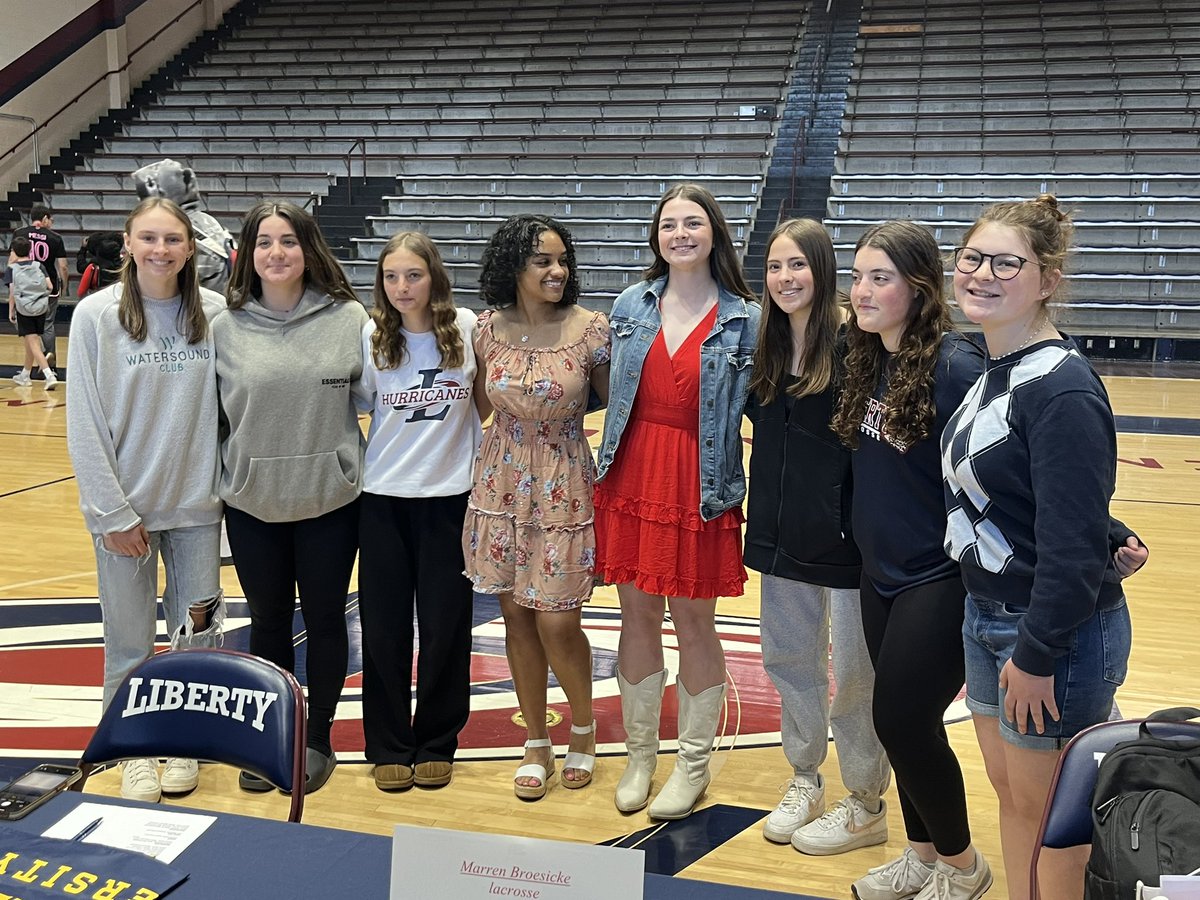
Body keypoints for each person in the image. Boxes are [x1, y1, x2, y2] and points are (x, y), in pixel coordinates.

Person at [942, 196, 1134, 900]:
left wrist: (1037, 651)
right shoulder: (989, 365)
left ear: (1047, 279)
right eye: (972, 258)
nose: (982, 274)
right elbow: (1034, 501)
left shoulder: (1061, 388)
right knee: (1016, 801)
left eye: (1006, 263)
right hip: (986, 618)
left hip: (1048, 637)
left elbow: (1072, 544)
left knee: (1057, 825)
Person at [829, 220, 994, 900]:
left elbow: (1009, 465)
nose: (862, 291)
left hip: (939, 574)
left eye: (880, 278)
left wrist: (1102, 529)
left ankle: (963, 866)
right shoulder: (864, 355)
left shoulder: (956, 367)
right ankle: (923, 855)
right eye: (859, 276)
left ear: (918, 287)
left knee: (901, 718)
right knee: (903, 724)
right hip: (880, 572)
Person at [594, 183, 760, 820]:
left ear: (714, 233)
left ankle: (692, 764)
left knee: (695, 622)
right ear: (656, 237)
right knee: (635, 618)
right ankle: (640, 756)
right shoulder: (631, 303)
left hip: (701, 481)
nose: (681, 234)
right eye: (669, 225)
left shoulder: (744, 316)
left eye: (693, 223)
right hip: (631, 474)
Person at [65, 197, 225, 803]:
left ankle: (183, 740)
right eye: (149, 239)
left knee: (196, 636)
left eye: (172, 240)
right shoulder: (95, 316)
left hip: (197, 513)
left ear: (190, 248)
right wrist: (110, 513)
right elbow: (83, 421)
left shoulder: (214, 313)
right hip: (124, 514)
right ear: (128, 244)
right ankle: (132, 750)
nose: (161, 250)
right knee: (128, 640)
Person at [211, 201, 368, 794]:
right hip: (254, 503)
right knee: (268, 624)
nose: (276, 253)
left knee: (327, 620)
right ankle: (274, 735)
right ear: (247, 253)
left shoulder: (349, 317)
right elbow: (211, 420)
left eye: (288, 241)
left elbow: (382, 394)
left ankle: (318, 737)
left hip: (331, 500)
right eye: (264, 242)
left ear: (309, 249)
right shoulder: (224, 326)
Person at [744, 219, 890, 853]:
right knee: (789, 660)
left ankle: (865, 798)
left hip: (850, 542)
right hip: (780, 533)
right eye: (775, 267)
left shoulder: (859, 345)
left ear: (823, 270)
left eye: (797, 265)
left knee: (856, 673)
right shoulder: (765, 345)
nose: (785, 279)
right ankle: (805, 778)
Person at [463, 214, 610, 801]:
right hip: (499, 485)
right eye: (542, 261)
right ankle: (536, 741)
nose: (558, 271)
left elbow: (615, 408)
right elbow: (475, 411)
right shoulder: (484, 332)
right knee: (517, 618)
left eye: (561, 260)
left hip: (565, 480)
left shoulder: (591, 329)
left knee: (557, 617)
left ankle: (583, 725)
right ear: (513, 268)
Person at [358, 232, 482, 792]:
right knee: (383, 630)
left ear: (434, 275)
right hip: (382, 498)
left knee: (445, 629)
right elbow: (359, 404)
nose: (402, 287)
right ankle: (387, 743)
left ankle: (437, 740)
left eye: (413, 275)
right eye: (391, 277)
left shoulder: (469, 328)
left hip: (452, 499)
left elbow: (485, 405)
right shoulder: (371, 335)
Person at [9, 203, 68, 370]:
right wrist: (63, 285)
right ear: (44, 219)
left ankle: (40, 358)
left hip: (23, 287)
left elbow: (11, 263)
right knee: (48, 324)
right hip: (46, 286)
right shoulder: (55, 238)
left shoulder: (19, 233)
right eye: (51, 220)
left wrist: (11, 288)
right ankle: (50, 362)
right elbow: (63, 266)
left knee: (26, 324)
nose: (52, 223)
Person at [7, 235, 58, 389]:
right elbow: (50, 286)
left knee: (33, 343)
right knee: (31, 341)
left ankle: (49, 375)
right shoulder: (38, 265)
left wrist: (11, 310)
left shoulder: (12, 269)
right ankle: (25, 374)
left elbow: (12, 293)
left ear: (14, 251)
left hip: (24, 309)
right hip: (41, 307)